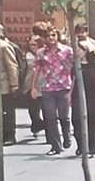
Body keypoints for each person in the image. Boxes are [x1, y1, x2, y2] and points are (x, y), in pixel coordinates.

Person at [31, 27, 75, 156]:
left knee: (64, 117)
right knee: (50, 118)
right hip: (48, 88)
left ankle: (67, 137)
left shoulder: (67, 51)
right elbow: (36, 70)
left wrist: (73, 89)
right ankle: (56, 145)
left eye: (53, 35)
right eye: (48, 36)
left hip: (64, 87)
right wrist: (33, 87)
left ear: (58, 36)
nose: (51, 38)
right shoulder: (41, 53)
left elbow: (74, 69)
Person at [71, 24, 95, 157]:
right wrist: (69, 97)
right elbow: (72, 82)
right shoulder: (75, 66)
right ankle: (81, 146)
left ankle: (91, 148)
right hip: (77, 94)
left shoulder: (94, 65)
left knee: (92, 119)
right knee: (76, 120)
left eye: (81, 50)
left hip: (93, 95)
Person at [24, 35, 45, 139]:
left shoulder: (43, 54)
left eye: (34, 44)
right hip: (29, 85)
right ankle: (37, 125)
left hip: (43, 84)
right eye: (30, 44)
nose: (32, 46)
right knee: (33, 109)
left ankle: (47, 128)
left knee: (45, 108)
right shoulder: (26, 55)